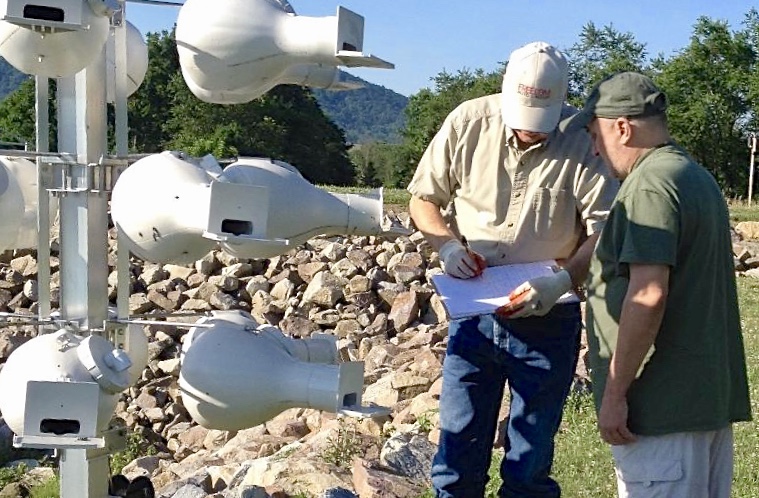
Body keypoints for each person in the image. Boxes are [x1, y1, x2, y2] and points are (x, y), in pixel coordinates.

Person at [406, 41, 618, 498]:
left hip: (550, 314)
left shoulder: (583, 139)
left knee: (529, 460)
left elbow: (607, 229)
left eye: (540, 126)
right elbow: (423, 199)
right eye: (521, 121)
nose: (529, 133)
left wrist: (563, 279)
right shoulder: (468, 122)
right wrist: (446, 246)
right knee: (456, 453)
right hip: (475, 309)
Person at [569, 71, 752, 497]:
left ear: (622, 127)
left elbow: (648, 294)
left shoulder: (649, 185)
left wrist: (614, 394)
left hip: (661, 413)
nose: (594, 149)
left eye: (595, 135)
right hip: (702, 405)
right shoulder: (694, 176)